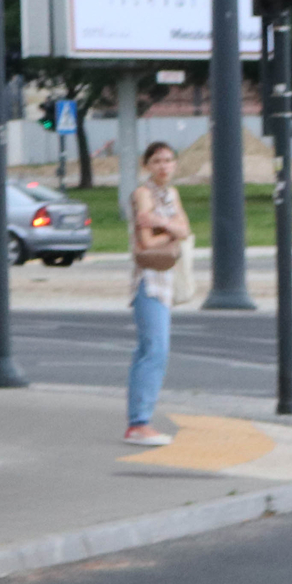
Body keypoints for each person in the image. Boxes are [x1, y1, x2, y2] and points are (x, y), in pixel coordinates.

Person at [124, 141, 187, 447]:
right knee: (155, 351)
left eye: (168, 160)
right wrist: (171, 230)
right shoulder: (142, 194)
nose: (164, 166)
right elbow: (146, 243)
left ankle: (139, 419)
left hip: (165, 281)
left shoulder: (171, 194)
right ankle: (139, 424)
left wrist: (163, 222)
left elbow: (185, 230)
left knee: (150, 351)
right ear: (147, 165)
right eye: (157, 160)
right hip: (148, 281)